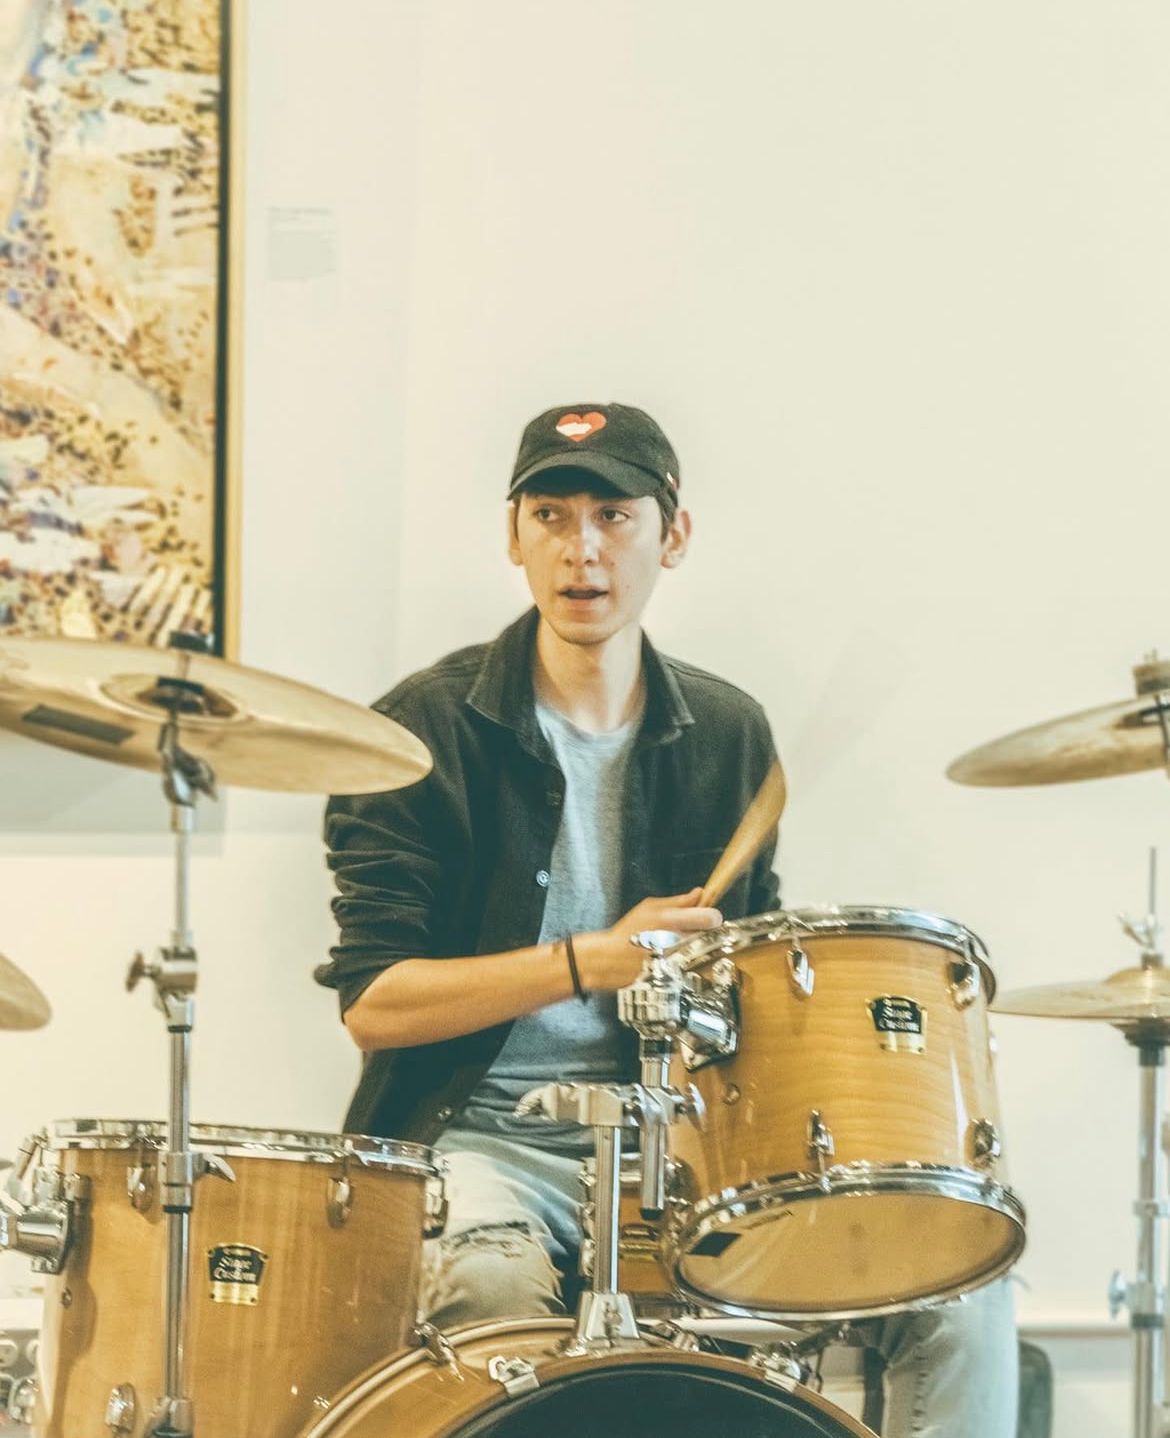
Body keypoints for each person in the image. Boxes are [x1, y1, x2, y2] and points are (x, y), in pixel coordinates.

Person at [318, 401, 1017, 1437]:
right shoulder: (419, 732)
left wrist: (870, 1056)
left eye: (614, 515)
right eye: (551, 516)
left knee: (960, 1296)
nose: (582, 549)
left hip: (683, 1156)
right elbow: (375, 1006)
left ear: (671, 534)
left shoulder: (727, 734)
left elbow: (756, 994)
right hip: (480, 1142)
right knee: (491, 1291)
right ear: (514, 536)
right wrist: (587, 961)